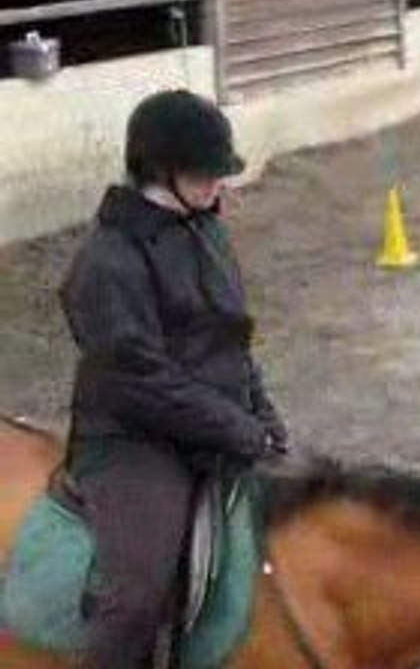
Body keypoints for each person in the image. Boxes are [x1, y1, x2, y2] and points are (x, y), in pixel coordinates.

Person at [59, 89, 289, 669]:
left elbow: (231, 337)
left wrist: (262, 413)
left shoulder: (206, 230)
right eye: (205, 173)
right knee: (138, 594)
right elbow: (141, 382)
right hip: (135, 440)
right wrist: (237, 428)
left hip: (216, 423)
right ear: (160, 171)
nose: (218, 184)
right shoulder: (107, 261)